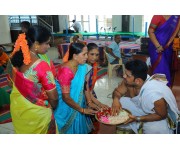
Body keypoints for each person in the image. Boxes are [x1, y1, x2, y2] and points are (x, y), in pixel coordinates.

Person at [8, 25, 58, 134]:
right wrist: (52, 106)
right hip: (37, 114)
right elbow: (53, 98)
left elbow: (10, 82)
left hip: (19, 108)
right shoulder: (41, 65)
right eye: (47, 43)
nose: (49, 46)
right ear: (36, 44)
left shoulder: (15, 57)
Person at [109, 59, 180, 134]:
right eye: (125, 73)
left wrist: (137, 118)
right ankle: (127, 130)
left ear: (138, 81)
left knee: (156, 129)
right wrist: (116, 101)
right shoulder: (129, 81)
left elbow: (161, 115)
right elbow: (117, 92)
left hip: (157, 115)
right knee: (121, 101)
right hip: (142, 108)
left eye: (127, 75)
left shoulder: (153, 94)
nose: (124, 76)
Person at [54, 43, 97, 134]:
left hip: (78, 103)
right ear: (75, 56)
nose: (86, 57)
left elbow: (85, 85)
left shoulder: (82, 67)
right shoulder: (66, 71)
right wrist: (82, 110)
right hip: (66, 106)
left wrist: (89, 102)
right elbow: (66, 97)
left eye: (87, 54)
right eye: (84, 54)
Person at [148, 15, 180, 86]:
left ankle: (165, 92)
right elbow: (150, 31)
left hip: (168, 48)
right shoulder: (157, 16)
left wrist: (167, 44)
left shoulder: (177, 17)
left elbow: (175, 34)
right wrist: (158, 46)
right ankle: (158, 91)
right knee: (160, 70)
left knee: (167, 71)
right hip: (156, 48)